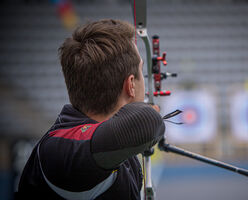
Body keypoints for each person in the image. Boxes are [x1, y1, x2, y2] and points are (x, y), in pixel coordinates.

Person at [15, 19, 165, 200]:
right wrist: (151, 112)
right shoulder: (60, 148)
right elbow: (147, 122)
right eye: (142, 71)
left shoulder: (113, 151)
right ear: (131, 85)